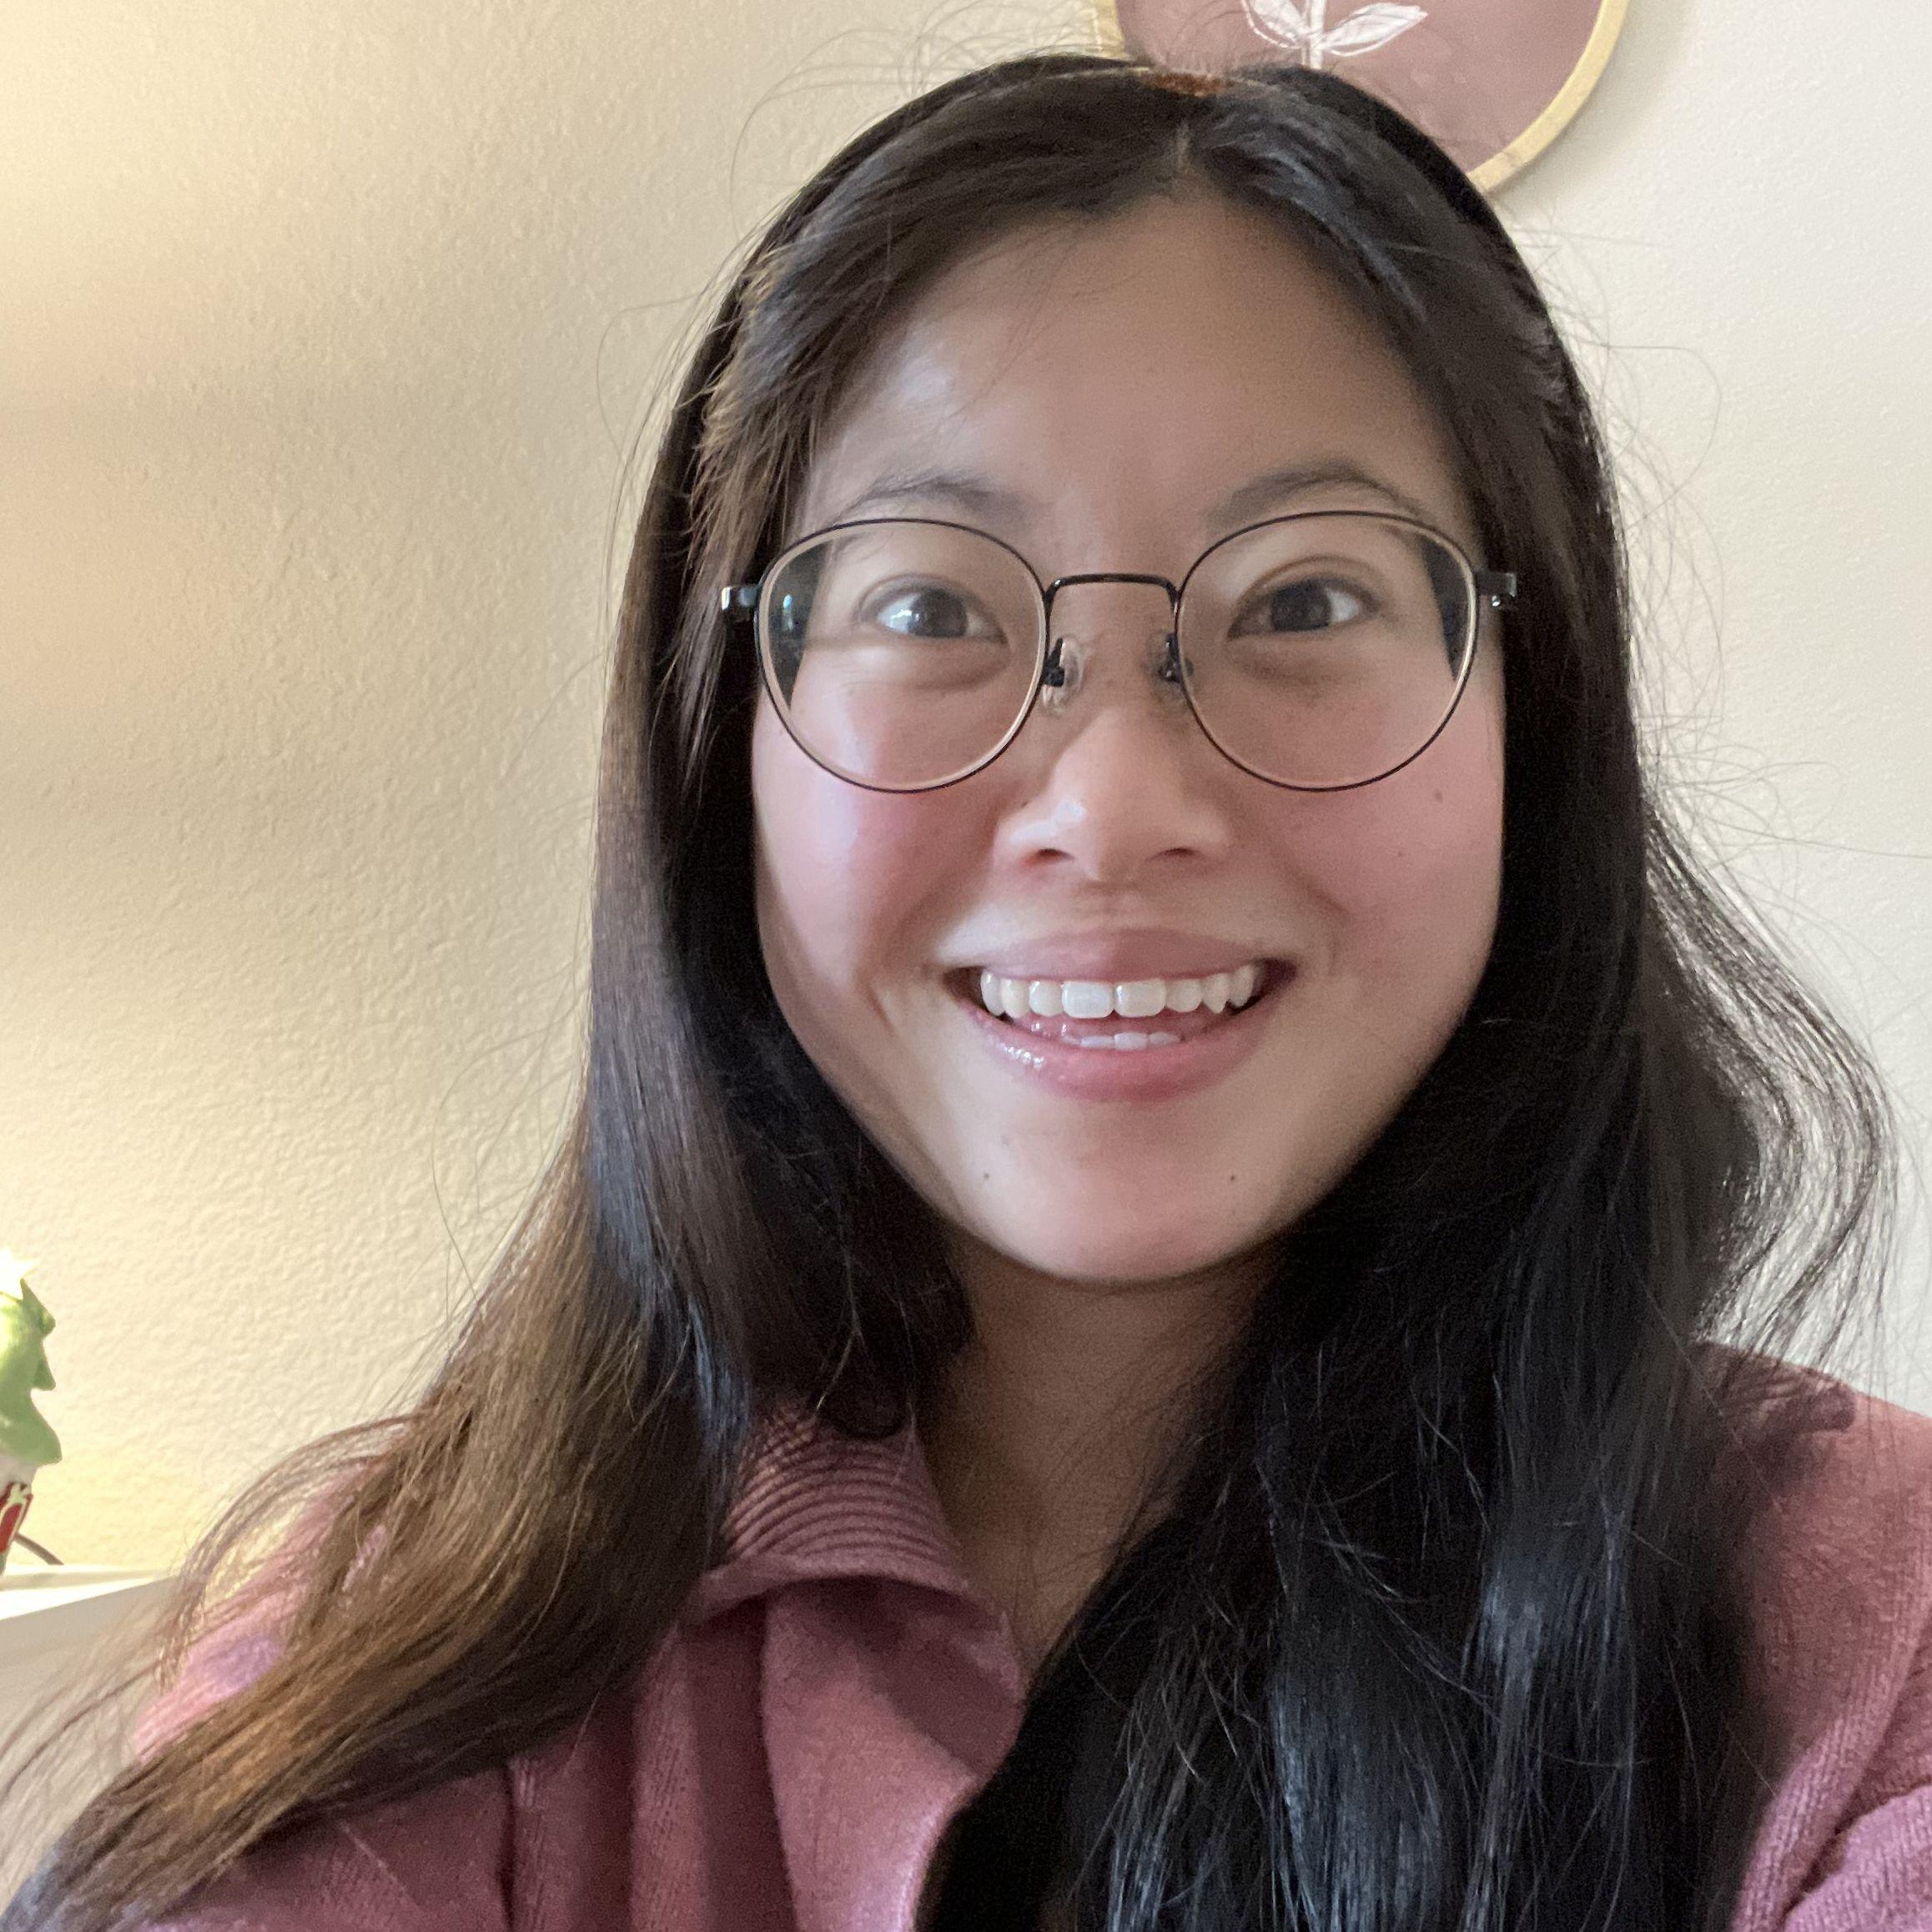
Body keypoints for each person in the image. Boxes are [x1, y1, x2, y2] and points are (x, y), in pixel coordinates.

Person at [6, 49, 1929, 1932]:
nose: (1115, 807)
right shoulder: (408, 1655)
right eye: (927, 606)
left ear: (1539, 713)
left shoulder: (1868, 1648)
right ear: (720, 748)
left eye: (1306, 602)